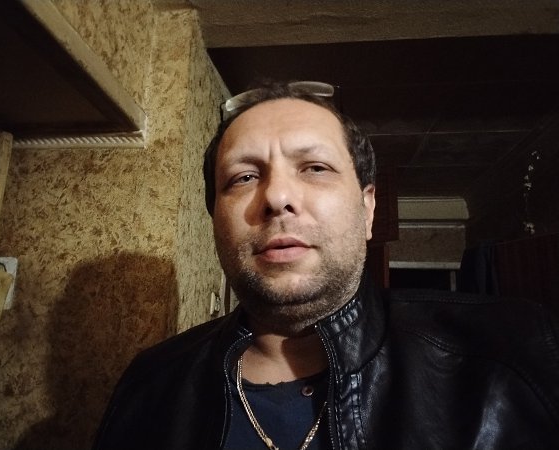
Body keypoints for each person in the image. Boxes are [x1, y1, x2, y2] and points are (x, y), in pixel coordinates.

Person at [93, 81, 559, 449]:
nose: (277, 196)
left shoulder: (515, 357)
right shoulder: (151, 385)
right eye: (244, 176)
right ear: (214, 219)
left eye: (315, 168)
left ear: (368, 208)